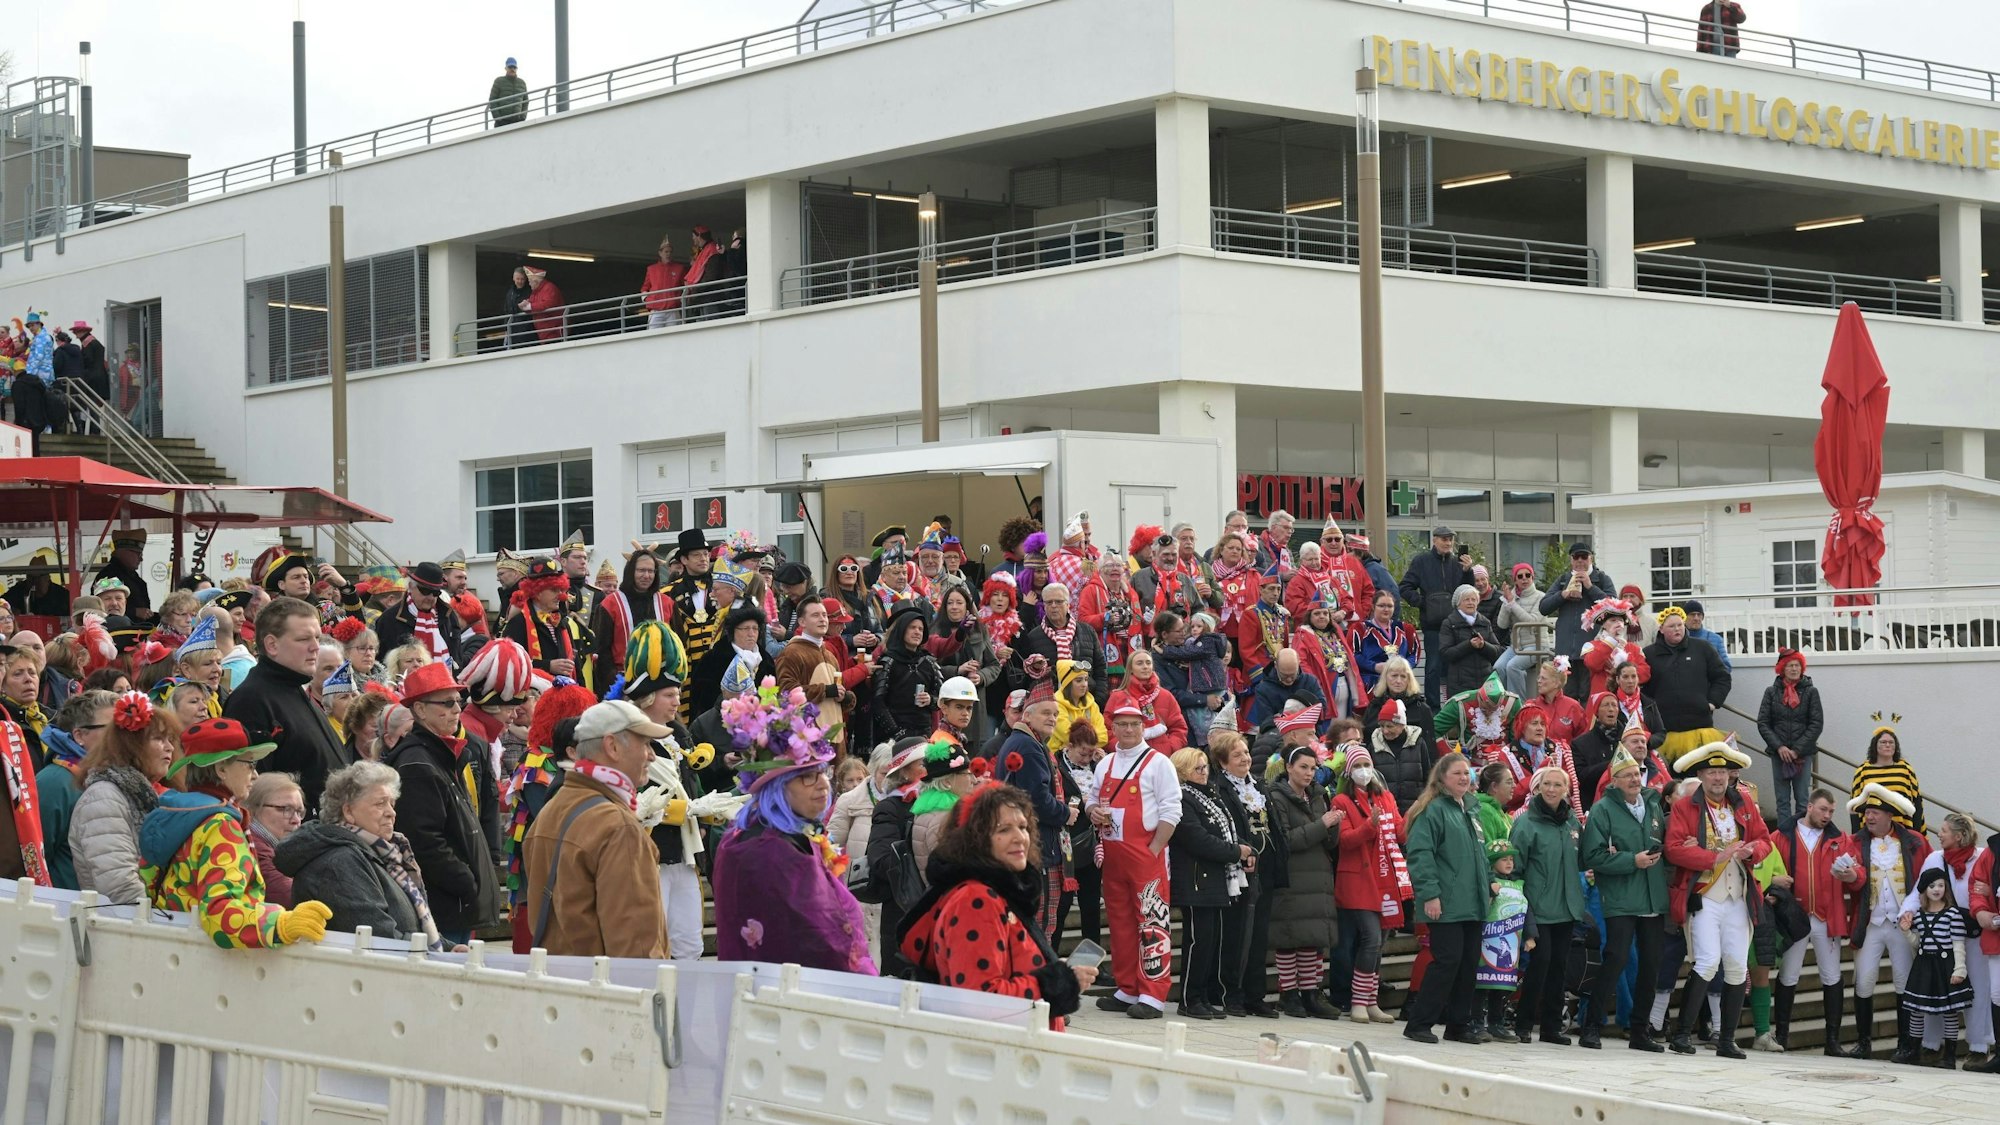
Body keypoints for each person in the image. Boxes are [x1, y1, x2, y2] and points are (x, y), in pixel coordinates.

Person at [897, 782, 1095, 1029]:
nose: (1019, 838)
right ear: (977, 839)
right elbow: (980, 999)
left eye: (1023, 827)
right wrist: (1057, 983)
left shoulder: (998, 893)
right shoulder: (976, 900)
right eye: (1003, 829)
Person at [711, 683, 874, 974]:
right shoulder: (771, 850)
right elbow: (821, 938)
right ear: (777, 788)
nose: (823, 785)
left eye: (823, 773)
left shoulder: (775, 835)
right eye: (807, 777)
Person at [139, 717, 332, 950]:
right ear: (221, 769)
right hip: (207, 961)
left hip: (172, 946)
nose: (255, 775)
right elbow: (220, 912)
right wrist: (280, 925)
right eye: (249, 764)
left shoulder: (175, 811)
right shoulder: (220, 824)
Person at [521, 700, 672, 958]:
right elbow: (637, 951)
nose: (652, 755)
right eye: (645, 743)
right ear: (612, 746)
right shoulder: (618, 828)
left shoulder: (552, 808)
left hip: (563, 986)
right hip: (607, 990)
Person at [1663, 739, 1768, 1058]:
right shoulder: (1685, 806)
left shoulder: (1745, 803)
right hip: (1704, 894)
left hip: (1738, 896)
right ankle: (1681, 1035)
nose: (1718, 778)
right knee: (1707, 961)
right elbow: (1675, 849)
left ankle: (1726, 1040)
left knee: (1736, 966)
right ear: (1701, 775)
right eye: (1711, 772)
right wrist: (1714, 857)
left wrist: (1752, 853)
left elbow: (1764, 839)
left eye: (1723, 772)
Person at [382, 662, 498, 946]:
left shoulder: (436, 755)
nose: (457, 709)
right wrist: (465, 881)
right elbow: (424, 841)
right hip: (444, 905)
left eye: (459, 701)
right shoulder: (418, 763)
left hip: (454, 903)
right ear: (420, 710)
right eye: (447, 703)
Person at [278, 759, 451, 948]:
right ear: (348, 811)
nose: (391, 813)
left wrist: (449, 948)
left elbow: (412, 927)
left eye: (392, 804)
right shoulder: (338, 863)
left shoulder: (382, 855)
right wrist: (435, 953)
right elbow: (380, 940)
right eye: (380, 804)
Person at [1086, 702, 1181, 1020]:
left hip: (1146, 856)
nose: (1128, 730)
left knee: (1152, 924)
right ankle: (1127, 988)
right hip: (1113, 857)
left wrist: (1155, 849)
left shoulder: (1159, 763)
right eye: (1122, 725)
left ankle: (1153, 995)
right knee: (1120, 924)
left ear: (1143, 727)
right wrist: (1092, 812)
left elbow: (1172, 809)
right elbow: (1091, 798)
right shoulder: (1106, 763)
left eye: (1134, 725)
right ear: (1113, 728)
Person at [1578, 744, 1670, 1051]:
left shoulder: (1654, 805)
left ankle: (1639, 1031)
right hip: (1620, 897)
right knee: (1615, 958)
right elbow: (1591, 856)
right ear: (1614, 780)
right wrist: (1633, 861)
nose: (1634, 779)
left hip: (1653, 899)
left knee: (1651, 964)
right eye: (1626, 775)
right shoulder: (1603, 810)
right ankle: (1592, 1024)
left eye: (1637, 773)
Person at [224, 598, 352, 812]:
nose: (315, 648)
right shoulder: (251, 700)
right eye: (303, 639)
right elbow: (252, 792)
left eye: (317, 638)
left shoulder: (293, 687)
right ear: (272, 645)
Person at [1402, 753, 1491, 1044]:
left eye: (1467, 773)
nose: (1464, 778)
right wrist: (1430, 895)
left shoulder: (1471, 810)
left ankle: (1458, 1025)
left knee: (1468, 965)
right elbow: (1420, 854)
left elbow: (1481, 856)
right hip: (1447, 902)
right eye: (1457, 773)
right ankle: (1419, 1022)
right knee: (1447, 962)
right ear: (1441, 779)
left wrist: (1489, 884)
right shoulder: (1433, 810)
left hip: (1473, 903)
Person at [1845, 782, 1931, 1062]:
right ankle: (1863, 1042)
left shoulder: (1915, 841)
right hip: (1870, 922)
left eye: (1875, 812)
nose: (1869, 817)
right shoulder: (1855, 841)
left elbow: (1926, 880)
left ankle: (1906, 1044)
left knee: (1903, 983)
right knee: (1864, 980)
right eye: (1867, 811)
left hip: (1901, 923)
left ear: (1890, 815)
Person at [1772, 788, 1860, 1056]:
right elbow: (1766, 866)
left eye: (1832, 811)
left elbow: (1858, 871)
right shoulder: (1781, 835)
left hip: (1826, 914)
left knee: (1832, 976)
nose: (1827, 815)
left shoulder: (1840, 839)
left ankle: (1832, 1041)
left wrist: (1852, 874)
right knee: (1788, 975)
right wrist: (1774, 883)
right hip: (1794, 916)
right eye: (1823, 809)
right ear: (1809, 806)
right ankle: (1782, 1036)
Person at [73, 691, 179, 905]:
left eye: (171, 740)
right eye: (159, 739)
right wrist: (163, 920)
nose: (170, 747)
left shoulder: (148, 793)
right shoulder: (103, 798)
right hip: (124, 926)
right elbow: (118, 884)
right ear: (131, 744)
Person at [1167, 746, 1249, 1020]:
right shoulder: (1181, 797)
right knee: (1197, 941)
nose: (1204, 773)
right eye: (1197, 769)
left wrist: (1243, 848)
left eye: (1205, 768)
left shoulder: (1209, 794)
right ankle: (1189, 999)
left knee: (1210, 941)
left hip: (1215, 879)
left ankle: (1202, 995)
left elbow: (1227, 831)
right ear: (1182, 772)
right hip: (1195, 879)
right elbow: (1197, 839)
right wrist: (1236, 852)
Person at [1510, 766, 1588, 1043]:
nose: (1552, 789)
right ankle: (1523, 1023)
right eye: (1547, 784)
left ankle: (1551, 1027)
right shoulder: (1526, 823)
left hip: (1566, 907)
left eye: (1558, 785)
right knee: (1539, 964)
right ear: (1538, 788)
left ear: (1566, 790)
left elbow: (1581, 860)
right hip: (1539, 906)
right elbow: (1514, 867)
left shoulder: (1571, 822)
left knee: (1560, 966)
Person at [1330, 742, 1407, 1023]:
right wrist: (1370, 826)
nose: (1364, 771)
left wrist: (1413, 818)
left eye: (1366, 765)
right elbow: (1346, 841)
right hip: (1358, 881)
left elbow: (1399, 833)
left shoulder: (1385, 797)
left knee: (1379, 942)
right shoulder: (1341, 802)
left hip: (1384, 878)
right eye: (1358, 766)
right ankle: (1358, 1001)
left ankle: (1370, 1000)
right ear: (1349, 772)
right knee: (1371, 939)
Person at [1264, 741, 1342, 1020]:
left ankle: (1311, 992)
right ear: (1288, 768)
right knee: (1289, 937)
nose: (1309, 773)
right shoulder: (1276, 796)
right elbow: (1285, 840)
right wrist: (1323, 825)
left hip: (1318, 875)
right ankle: (1289, 993)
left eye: (1313, 768)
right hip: (1292, 875)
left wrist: (1334, 828)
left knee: (1312, 937)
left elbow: (1329, 841)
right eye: (1303, 767)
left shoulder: (1319, 795)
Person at [991, 682, 1072, 940]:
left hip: (1031, 846)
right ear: (1027, 715)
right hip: (1038, 850)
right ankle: (1037, 977)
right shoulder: (1028, 746)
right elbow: (1036, 801)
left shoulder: (1026, 742)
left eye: (1056, 714)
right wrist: (1065, 813)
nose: (1053, 719)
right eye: (1046, 713)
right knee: (1040, 925)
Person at [36, 689, 116, 890]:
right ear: (80, 735)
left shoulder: (114, 776)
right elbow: (35, 857)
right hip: (63, 908)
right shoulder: (56, 781)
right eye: (112, 729)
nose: (123, 737)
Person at [1903, 867, 1975, 1069]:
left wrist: (1960, 969)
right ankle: (1913, 1051)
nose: (1937, 889)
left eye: (1941, 885)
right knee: (1916, 1010)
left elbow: (1958, 944)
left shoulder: (1952, 914)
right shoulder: (1919, 915)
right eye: (1932, 886)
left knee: (1949, 1011)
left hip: (1946, 966)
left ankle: (1950, 1056)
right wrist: (1906, 932)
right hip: (1923, 966)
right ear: (1924, 890)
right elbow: (1918, 943)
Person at [1642, 607, 1731, 763]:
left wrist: (1712, 702)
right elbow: (1642, 687)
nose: (1677, 629)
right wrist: (1651, 712)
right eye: (1671, 626)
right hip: (1665, 731)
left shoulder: (1703, 648)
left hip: (1700, 727)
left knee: (1700, 776)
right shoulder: (1649, 654)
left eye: (1680, 625)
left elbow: (1722, 677)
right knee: (1671, 782)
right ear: (1661, 629)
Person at [1398, 526, 1469, 711]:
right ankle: (1433, 709)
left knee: (1455, 669)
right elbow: (1405, 587)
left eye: (1450, 539)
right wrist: (1423, 603)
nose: (1447, 543)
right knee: (1433, 668)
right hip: (1432, 626)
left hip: (1456, 626)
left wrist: (1468, 571)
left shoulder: (1457, 563)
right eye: (1443, 539)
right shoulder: (1421, 561)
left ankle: (1455, 708)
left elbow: (1468, 592)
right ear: (1434, 540)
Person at [1473, 838, 1536, 1043]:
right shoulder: (1489, 883)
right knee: (1482, 984)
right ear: (1492, 863)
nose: (1509, 863)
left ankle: (1496, 1023)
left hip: (1510, 943)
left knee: (1502, 987)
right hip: (1487, 940)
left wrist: (1530, 934)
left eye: (1511, 859)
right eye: (1503, 859)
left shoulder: (1519, 884)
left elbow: (1526, 910)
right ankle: (1475, 1022)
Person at [1756, 649, 1822, 830]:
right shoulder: (1771, 692)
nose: (1794, 669)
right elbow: (1763, 723)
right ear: (1782, 669)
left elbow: (1816, 724)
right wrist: (1780, 747)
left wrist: (1797, 749)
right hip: (1779, 755)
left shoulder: (1811, 692)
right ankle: (1784, 836)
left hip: (1803, 755)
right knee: (1782, 800)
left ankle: (1803, 835)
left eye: (1797, 665)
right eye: (1790, 665)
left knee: (1802, 798)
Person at [1011, 583, 1105, 705]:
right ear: (1044, 606)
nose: (1054, 606)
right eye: (1049, 602)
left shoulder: (1087, 631)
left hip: (1087, 701)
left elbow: (1100, 668)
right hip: (1051, 705)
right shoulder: (1034, 636)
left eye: (1059, 602)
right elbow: (1028, 676)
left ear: (1068, 604)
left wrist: (1098, 699)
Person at [873, 605, 943, 743]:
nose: (917, 632)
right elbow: (878, 703)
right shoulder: (888, 661)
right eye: (912, 627)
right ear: (902, 629)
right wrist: (896, 732)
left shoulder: (929, 662)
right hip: (893, 737)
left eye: (921, 629)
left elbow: (942, 699)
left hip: (924, 734)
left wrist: (930, 700)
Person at [1850, 720, 1923, 834]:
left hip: (1903, 832)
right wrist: (1856, 836)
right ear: (1875, 745)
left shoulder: (1906, 769)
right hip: (1871, 832)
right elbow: (1855, 806)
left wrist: (1918, 834)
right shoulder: (1863, 771)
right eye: (1883, 742)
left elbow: (1917, 803)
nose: (1888, 745)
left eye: (1891, 742)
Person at [244, 772, 305, 908]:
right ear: (252, 810)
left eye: (299, 812)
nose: (296, 820)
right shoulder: (254, 848)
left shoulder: (277, 848)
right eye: (285, 809)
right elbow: (291, 898)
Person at [1491, 563, 1548, 697]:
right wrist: (1506, 603)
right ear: (1515, 580)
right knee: (1498, 667)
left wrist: (1512, 604)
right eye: (1520, 576)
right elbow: (1502, 624)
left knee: (1513, 666)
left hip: (1537, 645)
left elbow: (1532, 622)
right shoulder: (1511, 597)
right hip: (1516, 646)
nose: (1524, 579)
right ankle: (1504, 702)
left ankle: (1517, 705)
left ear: (1532, 577)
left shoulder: (1541, 596)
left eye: (1528, 575)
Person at [1439, 585, 1501, 701]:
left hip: (1485, 684)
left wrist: (1483, 646)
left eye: (1474, 599)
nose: (1470, 602)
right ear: (1458, 603)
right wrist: (1469, 645)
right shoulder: (1449, 623)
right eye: (1466, 599)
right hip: (1460, 685)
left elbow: (1497, 651)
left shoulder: (1485, 622)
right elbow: (1445, 653)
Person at [1354, 590, 1416, 696]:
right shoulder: (1360, 629)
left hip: (1400, 683)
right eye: (1381, 606)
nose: (1386, 609)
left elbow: (1414, 654)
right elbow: (1353, 655)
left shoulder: (1406, 629)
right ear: (1373, 606)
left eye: (1390, 606)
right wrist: (1374, 666)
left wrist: (1402, 667)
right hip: (1372, 684)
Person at [641, 237, 689, 329]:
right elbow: (645, 287)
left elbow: (686, 285)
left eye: (670, 252)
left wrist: (681, 299)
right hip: (656, 309)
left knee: (674, 337)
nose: (668, 254)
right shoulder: (651, 269)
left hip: (673, 309)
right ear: (660, 253)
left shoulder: (679, 268)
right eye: (666, 252)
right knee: (654, 337)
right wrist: (647, 299)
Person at [489, 57, 529, 125]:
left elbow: (526, 101)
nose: (512, 69)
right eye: (510, 67)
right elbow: (492, 100)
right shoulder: (499, 81)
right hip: (502, 122)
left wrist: (522, 117)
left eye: (514, 67)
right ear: (506, 68)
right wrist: (498, 118)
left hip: (518, 121)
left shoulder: (522, 83)